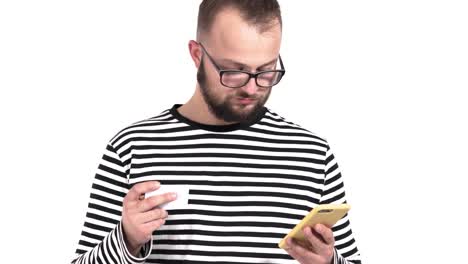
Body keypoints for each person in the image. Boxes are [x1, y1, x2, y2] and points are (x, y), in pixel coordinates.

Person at [71, 1, 362, 263]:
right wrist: (127, 239)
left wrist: (329, 262)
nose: (252, 88)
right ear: (197, 55)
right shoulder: (132, 146)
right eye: (234, 71)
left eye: (266, 70)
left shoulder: (312, 154)